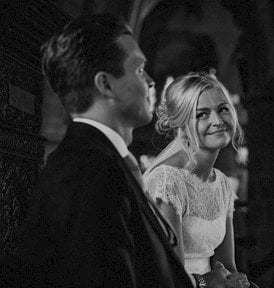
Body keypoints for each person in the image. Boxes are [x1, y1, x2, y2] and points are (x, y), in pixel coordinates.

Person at [8, 14, 241, 287]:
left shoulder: (105, 163)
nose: (151, 81)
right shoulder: (90, 173)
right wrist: (204, 284)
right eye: (139, 69)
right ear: (106, 84)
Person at [143, 72, 251, 288]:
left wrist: (241, 282)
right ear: (181, 123)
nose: (217, 121)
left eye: (223, 109)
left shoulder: (221, 184)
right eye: (202, 114)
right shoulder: (168, 180)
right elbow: (169, 277)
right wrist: (205, 283)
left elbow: (227, 265)